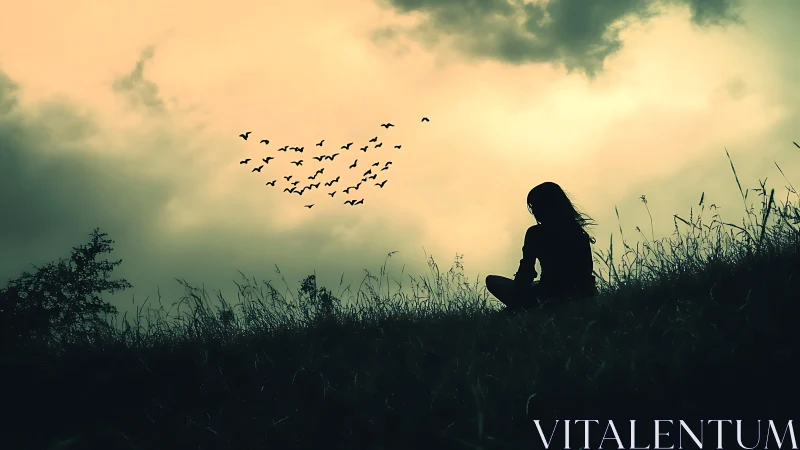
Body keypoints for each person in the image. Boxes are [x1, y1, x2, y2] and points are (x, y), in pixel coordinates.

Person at [486, 181, 598, 314]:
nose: (533, 211)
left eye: (534, 206)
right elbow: (586, 271)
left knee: (493, 281)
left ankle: (520, 309)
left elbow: (526, 271)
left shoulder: (535, 233)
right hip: (581, 295)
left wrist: (518, 297)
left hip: (548, 296)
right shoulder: (578, 232)